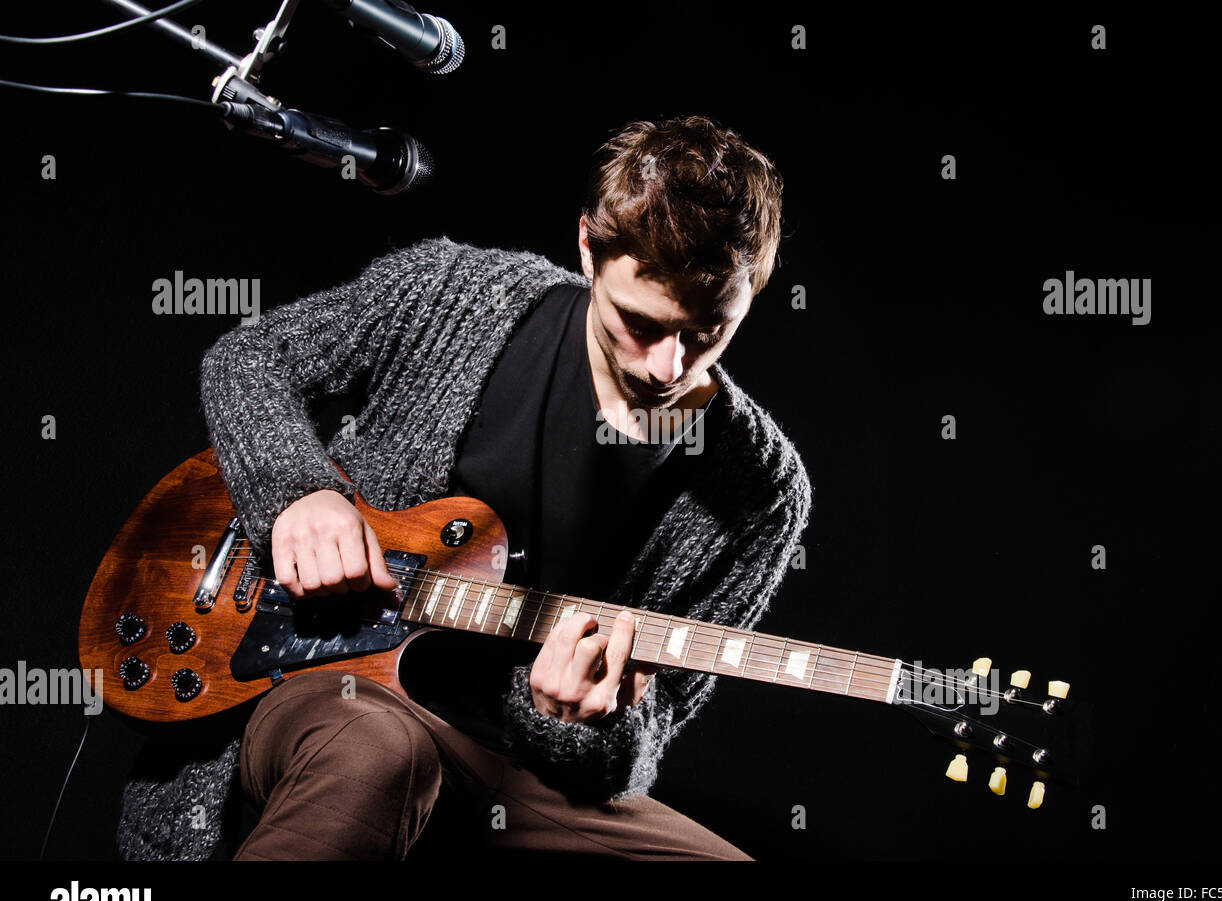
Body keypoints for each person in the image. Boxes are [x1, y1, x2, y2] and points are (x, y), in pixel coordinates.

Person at [192, 115, 811, 860]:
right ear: (587, 246)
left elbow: (652, 727)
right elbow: (250, 357)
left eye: (707, 330)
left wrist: (583, 721)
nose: (666, 366)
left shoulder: (761, 491)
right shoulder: (456, 291)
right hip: (323, 685)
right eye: (641, 324)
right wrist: (297, 491)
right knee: (381, 752)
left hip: (511, 767)